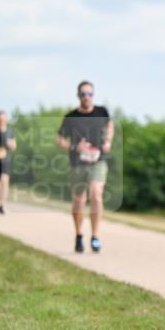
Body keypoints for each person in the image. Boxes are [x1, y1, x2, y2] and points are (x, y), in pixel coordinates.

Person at [56, 81, 114, 254]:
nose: (87, 97)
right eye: (83, 94)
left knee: (96, 194)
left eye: (90, 94)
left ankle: (95, 236)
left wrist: (108, 140)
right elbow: (59, 140)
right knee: (79, 201)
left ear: (93, 95)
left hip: (98, 161)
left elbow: (109, 125)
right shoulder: (71, 117)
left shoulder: (102, 112)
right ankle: (79, 235)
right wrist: (75, 147)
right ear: (78, 95)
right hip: (77, 164)